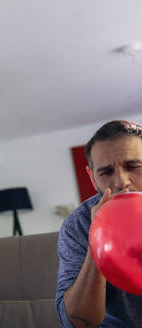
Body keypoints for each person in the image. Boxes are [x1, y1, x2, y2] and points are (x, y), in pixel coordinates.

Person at [56, 120, 142, 327]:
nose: (121, 182)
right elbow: (77, 322)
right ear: (92, 178)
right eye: (106, 172)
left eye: (133, 167)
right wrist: (98, 237)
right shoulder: (77, 225)